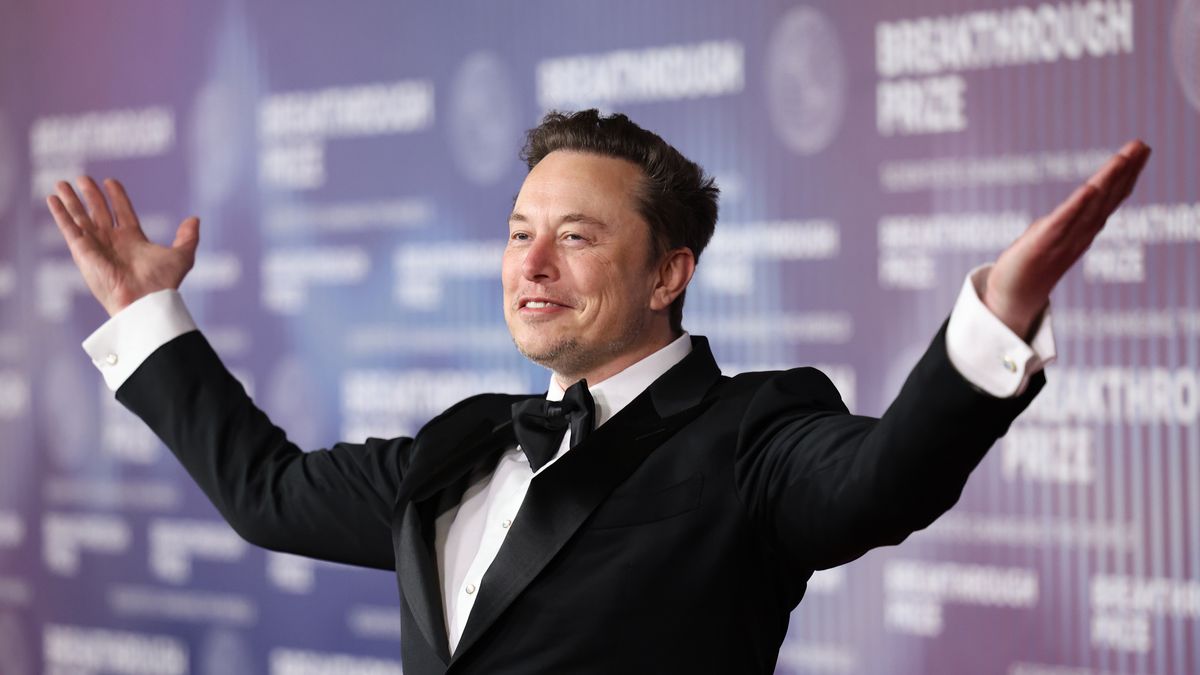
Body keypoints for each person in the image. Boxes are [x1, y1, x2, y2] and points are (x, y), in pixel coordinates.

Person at [48, 110, 1150, 674]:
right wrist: (149, 312)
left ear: (670, 273)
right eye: (521, 234)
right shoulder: (466, 444)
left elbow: (879, 482)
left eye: (575, 238)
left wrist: (989, 323)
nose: (531, 265)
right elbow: (270, 492)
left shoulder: (752, 431)